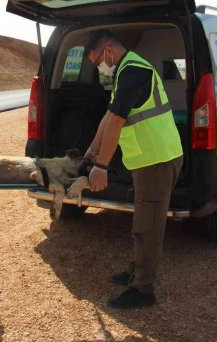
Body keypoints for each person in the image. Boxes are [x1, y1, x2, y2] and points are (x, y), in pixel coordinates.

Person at [83, 29, 184, 309]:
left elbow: (116, 121)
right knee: (143, 219)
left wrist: (101, 166)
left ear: (108, 52)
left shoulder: (133, 71)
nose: (98, 68)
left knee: (147, 227)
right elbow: (108, 116)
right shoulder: (124, 71)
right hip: (148, 160)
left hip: (158, 160)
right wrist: (91, 153)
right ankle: (137, 271)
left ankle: (143, 290)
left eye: (97, 62)